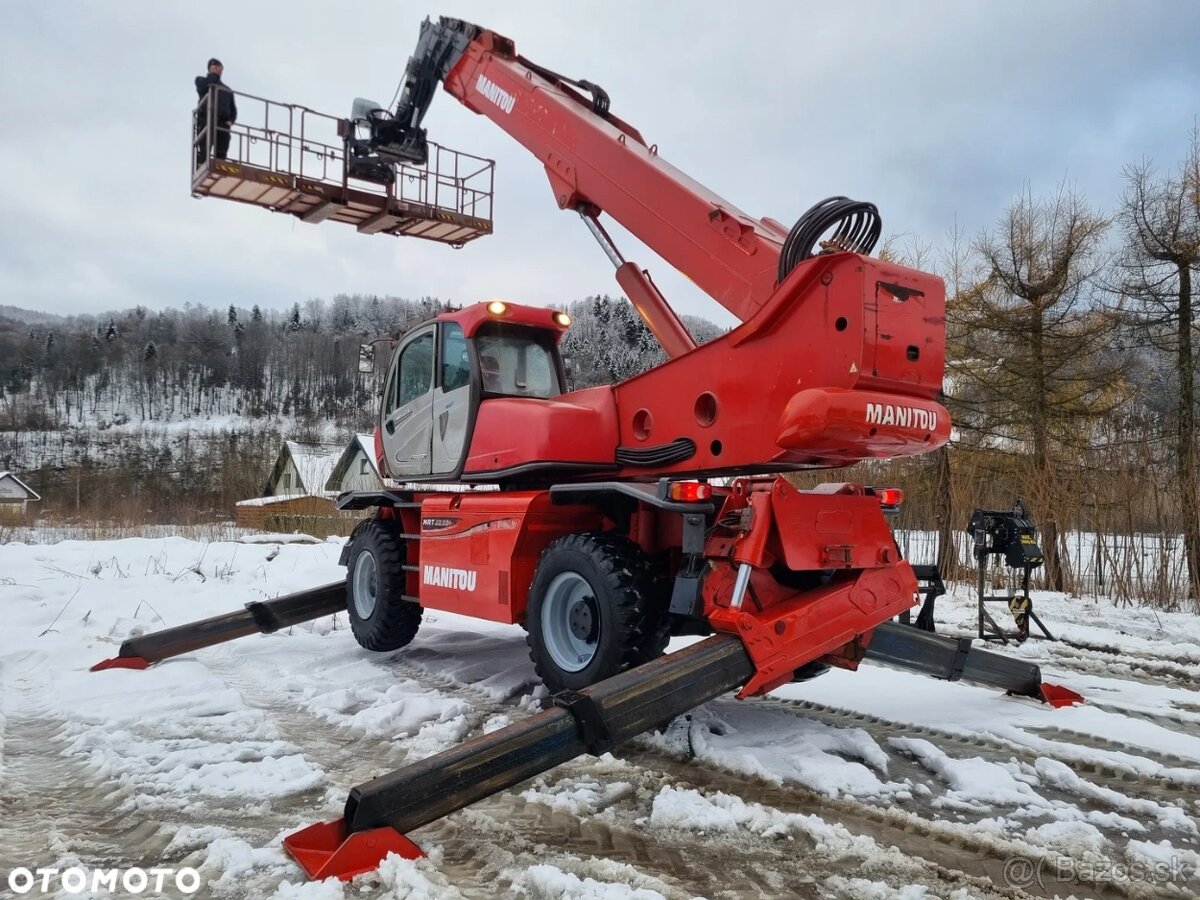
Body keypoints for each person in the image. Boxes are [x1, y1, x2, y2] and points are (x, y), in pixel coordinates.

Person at [194, 58, 237, 163]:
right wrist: (212, 75)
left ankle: (220, 165)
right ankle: (201, 165)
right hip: (206, 119)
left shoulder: (227, 89)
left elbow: (233, 109)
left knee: (222, 150)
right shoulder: (201, 81)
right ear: (210, 68)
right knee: (204, 148)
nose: (218, 69)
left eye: (219, 67)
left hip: (223, 123)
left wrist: (231, 120)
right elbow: (203, 87)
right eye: (215, 67)